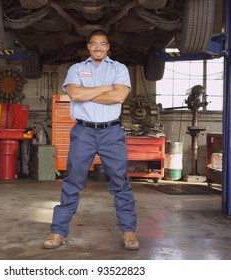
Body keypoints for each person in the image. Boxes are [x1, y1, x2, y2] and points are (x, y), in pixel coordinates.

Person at [44, 30, 139, 250]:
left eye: (102, 44)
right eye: (94, 44)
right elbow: (74, 95)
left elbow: (118, 96)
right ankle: (58, 232)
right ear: (88, 46)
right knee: (72, 181)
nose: (98, 48)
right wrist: (105, 88)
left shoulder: (119, 69)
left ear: (108, 47)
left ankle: (129, 232)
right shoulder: (76, 69)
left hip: (111, 133)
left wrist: (88, 92)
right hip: (83, 132)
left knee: (121, 182)